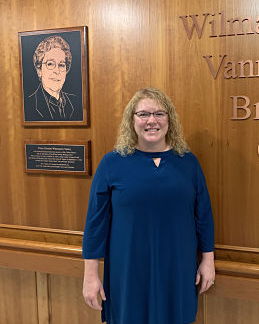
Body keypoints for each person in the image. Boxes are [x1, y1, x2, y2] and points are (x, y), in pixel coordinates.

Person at [82, 87, 215, 324]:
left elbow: (203, 215)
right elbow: (95, 222)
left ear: (169, 120)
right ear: (131, 120)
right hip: (128, 266)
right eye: (143, 114)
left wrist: (208, 260)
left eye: (159, 114)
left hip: (177, 265)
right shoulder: (112, 163)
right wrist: (90, 275)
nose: (151, 121)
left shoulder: (188, 163)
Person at [24, 35, 78, 121]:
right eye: (50, 64)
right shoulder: (27, 104)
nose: (57, 71)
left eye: (61, 65)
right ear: (39, 70)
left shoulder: (76, 102)